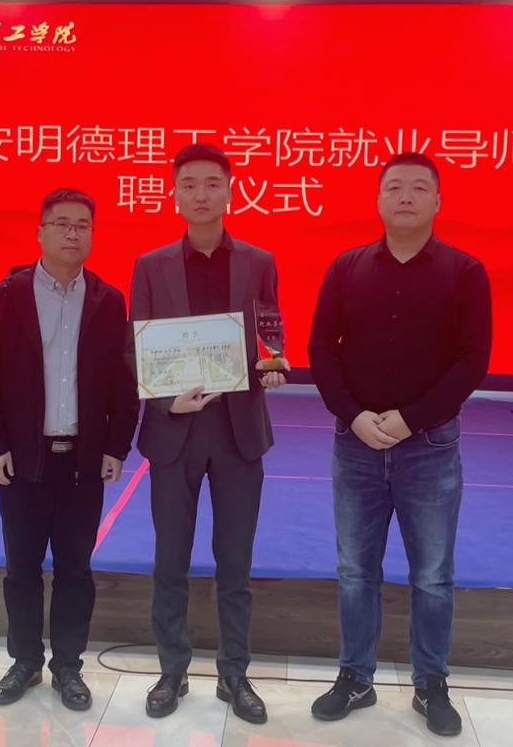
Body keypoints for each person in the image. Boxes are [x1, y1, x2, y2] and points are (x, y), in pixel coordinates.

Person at [307, 152, 492, 737]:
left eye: (418, 187)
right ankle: (355, 677)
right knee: (354, 571)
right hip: (355, 444)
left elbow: (473, 361)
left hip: (429, 446)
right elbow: (321, 349)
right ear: (378, 199)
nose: (405, 196)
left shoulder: (465, 272)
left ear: (438, 201)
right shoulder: (346, 267)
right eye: (394, 187)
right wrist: (354, 415)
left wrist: (411, 420)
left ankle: (430, 683)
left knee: (432, 574)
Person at [0, 188, 139, 711]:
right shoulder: (4, 297)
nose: (72, 233)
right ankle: (24, 662)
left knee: (75, 570)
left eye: (82, 225)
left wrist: (116, 446)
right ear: (39, 232)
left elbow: (122, 384)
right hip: (22, 460)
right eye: (61, 224)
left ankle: (68, 667)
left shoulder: (108, 301)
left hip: (83, 461)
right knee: (21, 568)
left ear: (92, 235)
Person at [128, 143, 287, 725]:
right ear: (174, 193)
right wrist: (165, 399)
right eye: (189, 183)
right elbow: (136, 348)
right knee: (170, 560)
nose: (201, 194)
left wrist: (273, 364)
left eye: (212, 183)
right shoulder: (150, 265)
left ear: (230, 191)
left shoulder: (259, 261)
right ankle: (172, 671)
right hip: (174, 431)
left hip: (239, 431)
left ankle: (234, 674)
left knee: (235, 563)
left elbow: (270, 331)